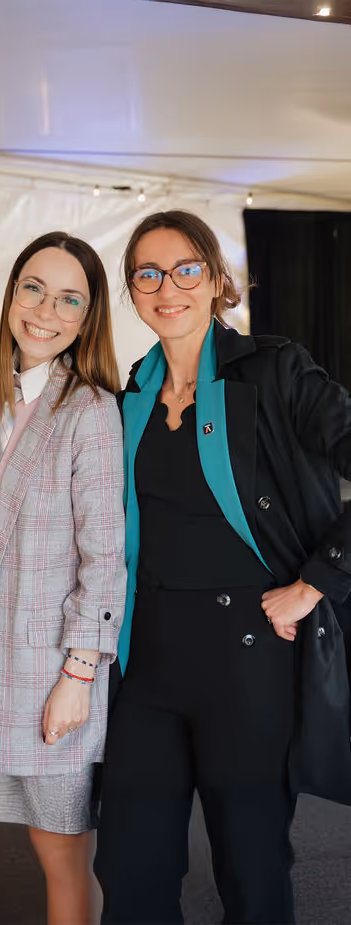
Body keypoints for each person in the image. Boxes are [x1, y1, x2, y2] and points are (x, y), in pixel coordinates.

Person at [94, 209, 351, 924]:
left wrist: (315, 583)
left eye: (185, 269)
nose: (165, 287)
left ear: (215, 281)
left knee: (251, 862)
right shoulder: (130, 397)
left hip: (248, 658)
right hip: (145, 662)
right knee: (128, 865)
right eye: (147, 273)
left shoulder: (274, 369)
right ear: (132, 290)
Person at [0, 231, 127, 925]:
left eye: (69, 299)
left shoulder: (88, 410)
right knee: (47, 851)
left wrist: (79, 675)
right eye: (34, 288)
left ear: (87, 317)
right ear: (11, 293)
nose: (47, 310)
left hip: (54, 674)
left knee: (64, 858)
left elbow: (105, 557)